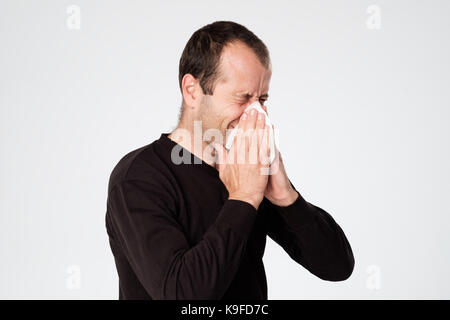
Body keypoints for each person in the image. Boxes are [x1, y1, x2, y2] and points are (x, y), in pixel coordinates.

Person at [105, 21, 354, 300]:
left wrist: (286, 197)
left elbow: (337, 266)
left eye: (262, 99)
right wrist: (244, 198)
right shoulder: (139, 178)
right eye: (243, 98)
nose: (257, 114)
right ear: (192, 90)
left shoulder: (246, 167)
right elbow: (182, 294)